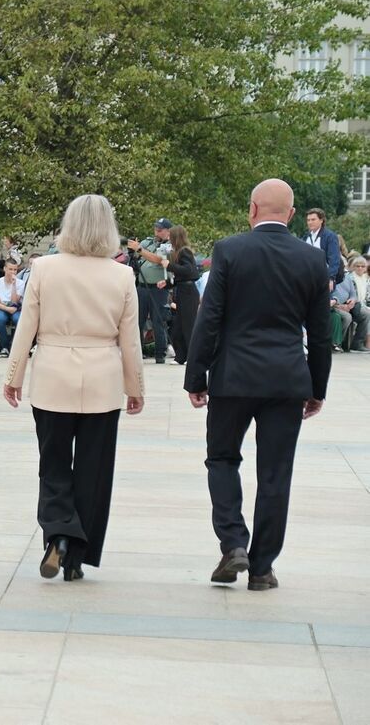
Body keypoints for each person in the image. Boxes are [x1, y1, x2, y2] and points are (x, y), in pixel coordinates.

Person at [185, 179, 331, 592]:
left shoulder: (230, 250)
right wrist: (316, 387)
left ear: (252, 209)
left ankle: (233, 542)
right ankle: (263, 567)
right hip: (287, 379)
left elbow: (208, 317)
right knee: (275, 473)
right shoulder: (311, 259)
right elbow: (320, 335)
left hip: (234, 377)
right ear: (290, 213)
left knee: (222, 459)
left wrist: (196, 376)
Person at [3, 193, 145, 582]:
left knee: (53, 464)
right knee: (93, 472)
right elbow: (129, 339)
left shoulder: (44, 268)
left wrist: (13, 375)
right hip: (102, 378)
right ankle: (76, 556)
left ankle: (59, 534)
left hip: (52, 375)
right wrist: (136, 386)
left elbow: (25, 329)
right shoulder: (122, 275)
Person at [127, 219, 173, 364]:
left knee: (158, 321)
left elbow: (158, 259)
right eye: (156, 229)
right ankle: (137, 353)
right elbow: (136, 253)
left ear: (168, 231)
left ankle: (160, 354)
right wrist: (133, 250)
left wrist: (139, 249)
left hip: (158, 289)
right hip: (142, 286)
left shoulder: (169, 245)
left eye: (160, 229)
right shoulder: (148, 242)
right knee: (138, 320)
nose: (157, 231)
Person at [164, 225, 200, 365]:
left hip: (189, 292)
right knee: (178, 326)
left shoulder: (185, 252)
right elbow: (180, 276)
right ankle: (181, 356)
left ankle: (191, 357)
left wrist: (169, 266)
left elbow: (188, 271)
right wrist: (166, 283)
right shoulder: (179, 252)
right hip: (183, 291)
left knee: (188, 326)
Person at [0, 257, 25, 358]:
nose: (13, 272)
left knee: (18, 319)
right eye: (10, 269)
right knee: (0, 319)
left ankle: (15, 346)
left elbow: (14, 302)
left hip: (15, 309)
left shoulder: (20, 283)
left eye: (15, 269)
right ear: (5, 269)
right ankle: (4, 347)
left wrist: (14, 285)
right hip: (2, 308)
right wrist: (8, 309)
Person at [300, 207, 341, 289]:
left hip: (323, 277)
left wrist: (331, 278)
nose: (310, 222)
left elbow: (334, 259)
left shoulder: (330, 236)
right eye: (308, 220)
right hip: (307, 277)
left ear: (321, 220)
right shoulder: (305, 236)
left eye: (313, 219)